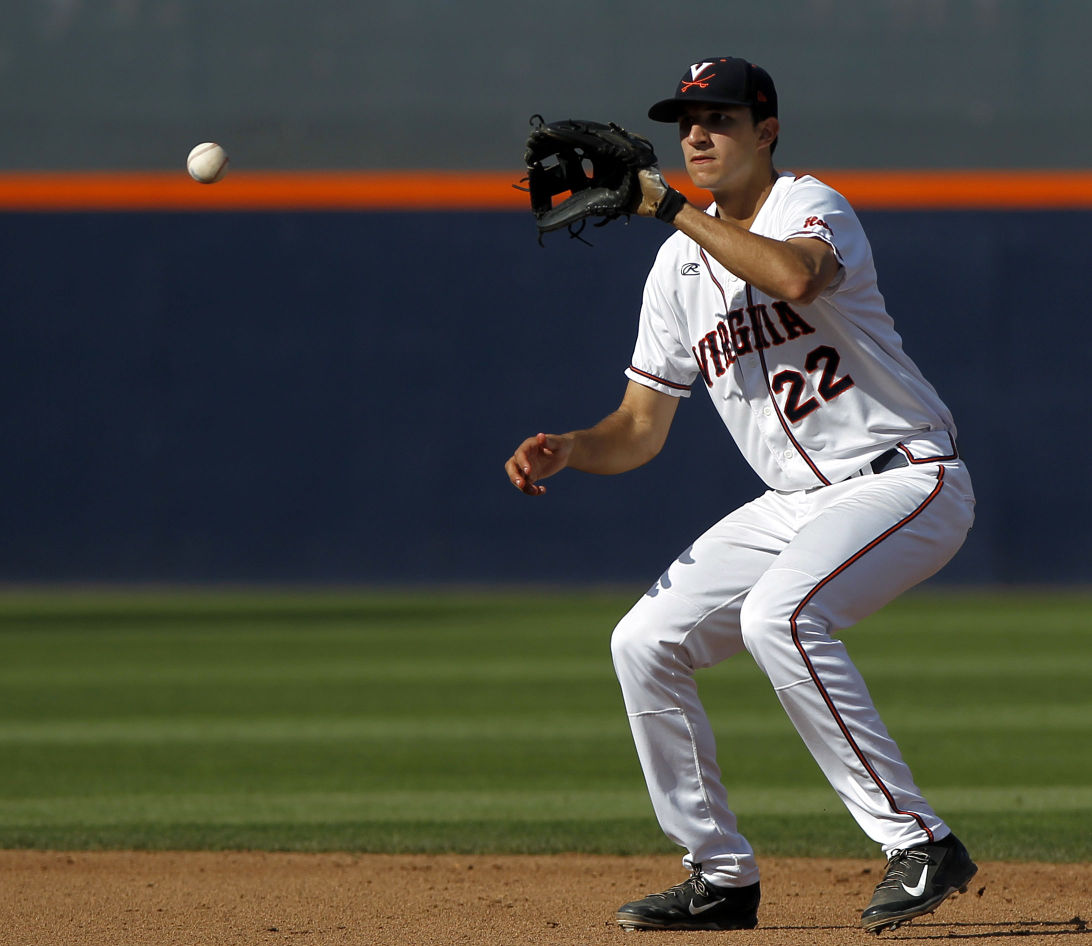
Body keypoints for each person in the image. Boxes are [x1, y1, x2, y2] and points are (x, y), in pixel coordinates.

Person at [504, 56, 979, 934]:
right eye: (687, 120)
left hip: (905, 476)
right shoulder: (675, 272)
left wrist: (668, 207)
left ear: (766, 131)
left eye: (719, 118)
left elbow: (796, 278)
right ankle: (719, 875)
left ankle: (920, 842)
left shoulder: (810, 203)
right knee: (643, 640)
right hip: (795, 501)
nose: (696, 134)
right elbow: (641, 427)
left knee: (779, 617)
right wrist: (574, 447)